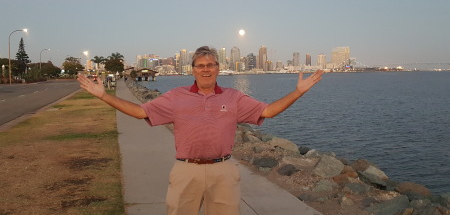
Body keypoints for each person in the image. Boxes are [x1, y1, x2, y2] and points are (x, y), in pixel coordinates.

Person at [77, 46, 324, 215]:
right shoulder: (176, 97)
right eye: (200, 65)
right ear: (192, 69)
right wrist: (102, 95)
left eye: (211, 65)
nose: (206, 69)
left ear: (218, 68)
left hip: (223, 170)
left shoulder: (233, 97)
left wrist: (298, 92)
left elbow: (268, 111)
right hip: (186, 170)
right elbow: (141, 112)